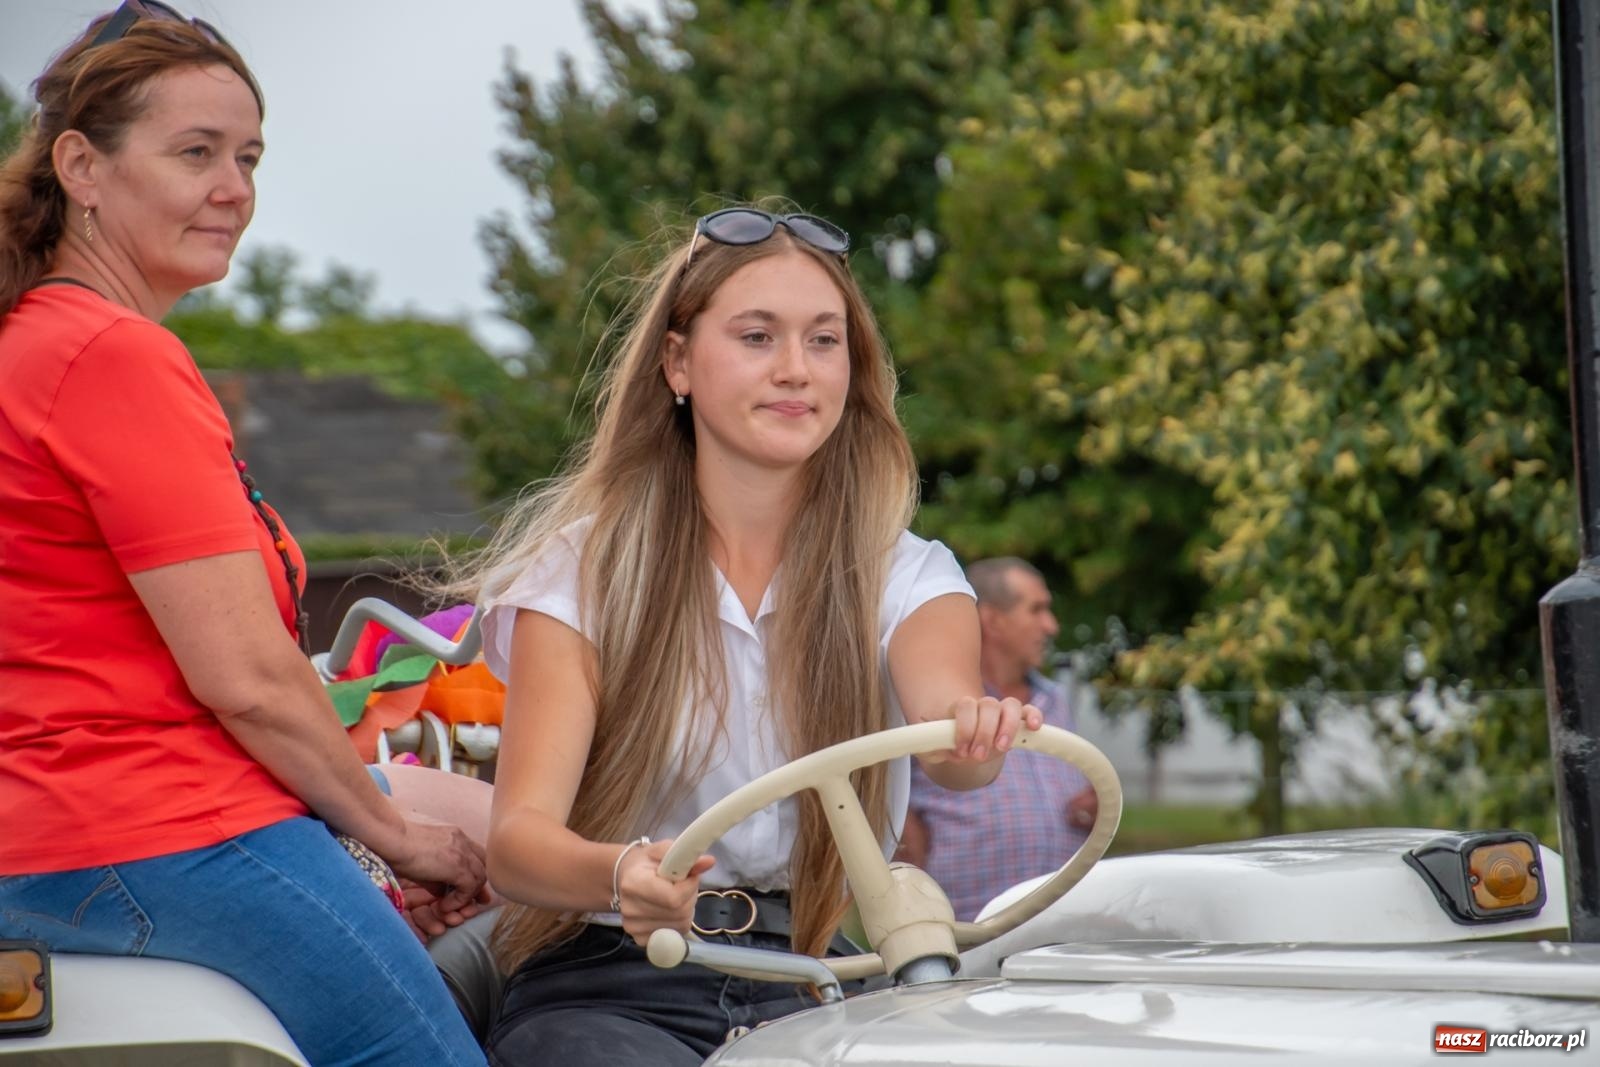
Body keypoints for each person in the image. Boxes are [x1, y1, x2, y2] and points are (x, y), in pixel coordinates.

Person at [0, 5, 487, 1063]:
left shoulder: (28, 341)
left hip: (45, 843)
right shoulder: (110, 356)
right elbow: (250, 679)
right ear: (81, 165)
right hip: (150, 833)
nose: (235, 189)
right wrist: (394, 837)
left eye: (249, 156)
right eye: (196, 153)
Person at [466, 204, 1043, 1065]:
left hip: (814, 975)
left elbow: (954, 739)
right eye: (756, 336)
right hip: (616, 980)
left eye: (823, 340)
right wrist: (622, 875)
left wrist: (978, 729)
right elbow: (518, 844)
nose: (795, 371)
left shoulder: (906, 573)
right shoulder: (580, 573)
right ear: (677, 362)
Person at [897, 557, 1099, 921]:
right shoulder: (930, 699)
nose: (1050, 626)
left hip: (1064, 920)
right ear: (992, 620)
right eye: (1036, 610)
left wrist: (1091, 804)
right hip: (964, 927)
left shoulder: (1054, 700)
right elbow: (885, 786)